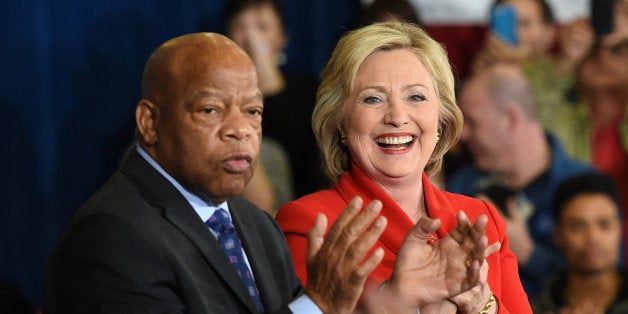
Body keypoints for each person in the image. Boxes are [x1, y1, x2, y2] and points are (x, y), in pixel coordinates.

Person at [42, 32, 490, 314]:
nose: (239, 129)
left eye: (253, 110)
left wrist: (395, 303)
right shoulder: (113, 236)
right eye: (211, 110)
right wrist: (318, 305)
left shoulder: (254, 225)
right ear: (150, 123)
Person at [276, 22, 531, 313]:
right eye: (373, 98)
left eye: (416, 97)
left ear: (441, 119)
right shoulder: (310, 223)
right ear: (340, 123)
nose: (397, 116)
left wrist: (482, 305)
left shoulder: (481, 219)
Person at [447, 62, 596, 298]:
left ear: (510, 119)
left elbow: (606, 285)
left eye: (473, 122)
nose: (463, 135)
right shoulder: (462, 186)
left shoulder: (587, 186)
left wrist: (528, 254)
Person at [224, 0, 327, 200]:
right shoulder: (222, 94)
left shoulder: (307, 88)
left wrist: (261, 54)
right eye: (240, 27)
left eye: (262, 27)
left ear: (283, 36)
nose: (251, 38)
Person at [472, 0, 594, 159]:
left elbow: (547, 100)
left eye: (524, 23)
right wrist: (480, 79)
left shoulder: (570, 72)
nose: (515, 32)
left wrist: (568, 60)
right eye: (507, 22)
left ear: (550, 32)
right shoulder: (480, 75)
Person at [532, 173, 628, 313]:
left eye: (604, 224)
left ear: (620, 230)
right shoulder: (533, 308)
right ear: (557, 235)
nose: (593, 237)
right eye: (578, 226)